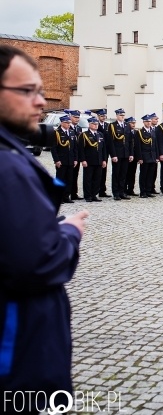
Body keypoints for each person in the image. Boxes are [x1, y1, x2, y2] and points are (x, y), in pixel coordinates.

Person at [0, 44, 89, 407]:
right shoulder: (7, 166)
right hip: (18, 351)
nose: (42, 102)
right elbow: (38, 262)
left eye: (40, 90)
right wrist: (69, 232)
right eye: (27, 91)